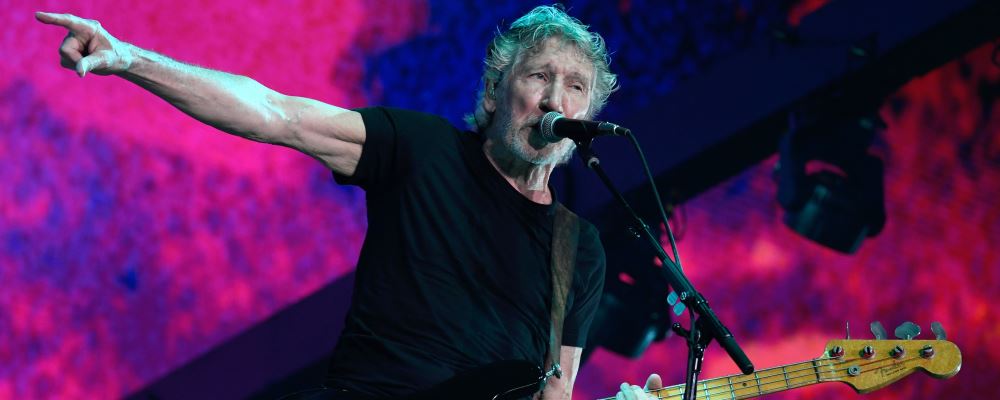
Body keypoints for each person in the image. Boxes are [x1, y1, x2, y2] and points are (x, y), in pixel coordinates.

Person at [36, 5, 662, 399]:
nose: (555, 100)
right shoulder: (422, 149)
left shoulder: (579, 250)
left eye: (575, 87)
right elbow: (276, 114)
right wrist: (130, 59)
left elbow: (555, 392)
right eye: (539, 76)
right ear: (497, 91)